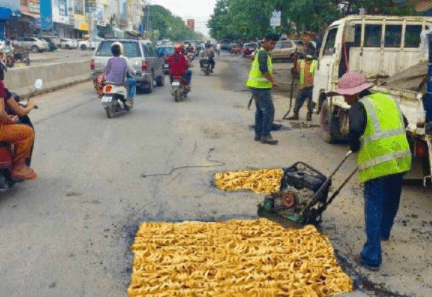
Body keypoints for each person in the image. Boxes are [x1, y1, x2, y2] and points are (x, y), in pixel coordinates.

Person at [332, 71, 412, 271]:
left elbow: (356, 130)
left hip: (378, 162)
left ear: (355, 93)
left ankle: (371, 257)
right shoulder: (388, 99)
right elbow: (405, 123)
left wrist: (355, 145)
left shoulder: (359, 107)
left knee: (374, 204)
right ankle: (384, 232)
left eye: (345, 94)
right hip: (400, 158)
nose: (344, 98)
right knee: (392, 198)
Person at [0, 62, 36, 181]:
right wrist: (10, 120)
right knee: (28, 133)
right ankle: (19, 167)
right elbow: (1, 112)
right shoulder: (1, 87)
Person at [246, 33, 279, 145]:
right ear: (265, 41)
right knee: (269, 111)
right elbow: (263, 69)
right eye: (271, 43)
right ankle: (265, 135)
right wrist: (272, 82)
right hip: (260, 87)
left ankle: (258, 134)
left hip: (256, 86)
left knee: (260, 111)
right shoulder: (263, 53)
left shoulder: (262, 52)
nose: (273, 46)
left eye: (274, 44)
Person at [104, 42, 137, 108]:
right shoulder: (124, 59)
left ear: (112, 52)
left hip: (109, 81)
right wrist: (135, 72)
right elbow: (131, 70)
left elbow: (106, 71)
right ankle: (130, 100)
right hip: (120, 81)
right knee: (133, 81)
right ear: (120, 51)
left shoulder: (109, 60)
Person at [287, 54, 318, 121]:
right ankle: (295, 114)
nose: (308, 61)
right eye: (307, 59)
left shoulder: (316, 63)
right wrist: (294, 59)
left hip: (312, 86)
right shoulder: (301, 62)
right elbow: (294, 69)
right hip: (303, 86)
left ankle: (309, 115)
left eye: (309, 59)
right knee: (298, 101)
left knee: (311, 103)